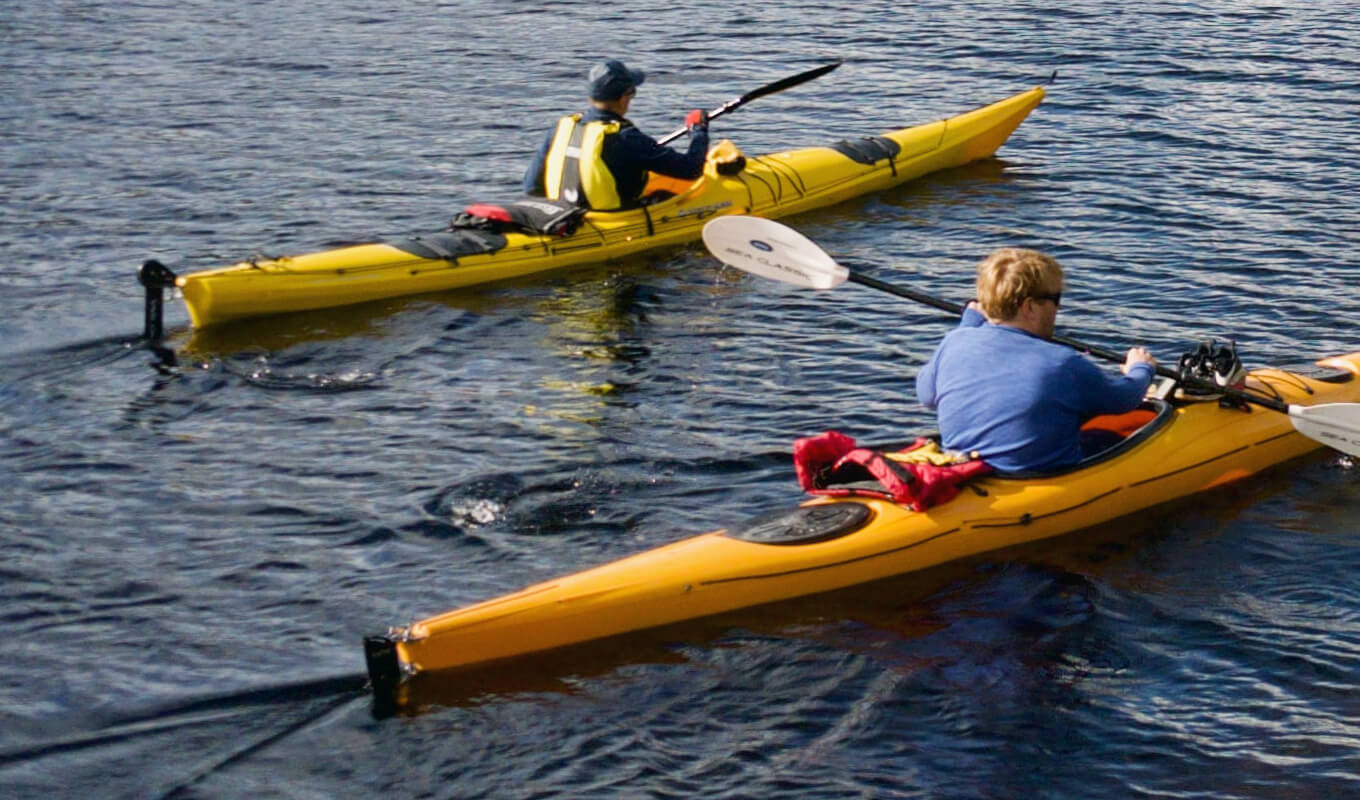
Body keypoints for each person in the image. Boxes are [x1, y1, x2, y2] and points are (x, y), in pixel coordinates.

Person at [915, 247, 1158, 473]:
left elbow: (926, 396)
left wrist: (967, 325)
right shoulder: (1063, 362)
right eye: (1055, 299)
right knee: (1117, 435)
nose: (1057, 309)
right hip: (1039, 474)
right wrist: (1140, 370)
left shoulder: (955, 341)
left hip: (964, 465)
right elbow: (1122, 400)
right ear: (1029, 307)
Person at [523, 59, 710, 211]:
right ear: (624, 98)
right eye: (632, 93)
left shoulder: (561, 127)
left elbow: (532, 187)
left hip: (563, 214)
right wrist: (698, 130)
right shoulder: (625, 136)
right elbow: (691, 170)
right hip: (612, 219)